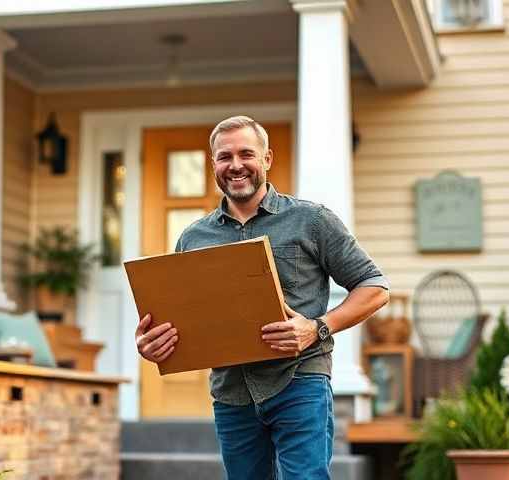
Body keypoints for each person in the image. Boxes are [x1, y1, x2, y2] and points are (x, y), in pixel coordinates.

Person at [134, 115, 390, 479]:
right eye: (224, 157)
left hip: (299, 379)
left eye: (246, 154)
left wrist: (317, 327)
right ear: (213, 164)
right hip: (231, 393)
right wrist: (150, 343)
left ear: (267, 159)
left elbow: (374, 287)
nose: (236, 165)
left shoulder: (311, 220)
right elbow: (181, 318)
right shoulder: (193, 238)